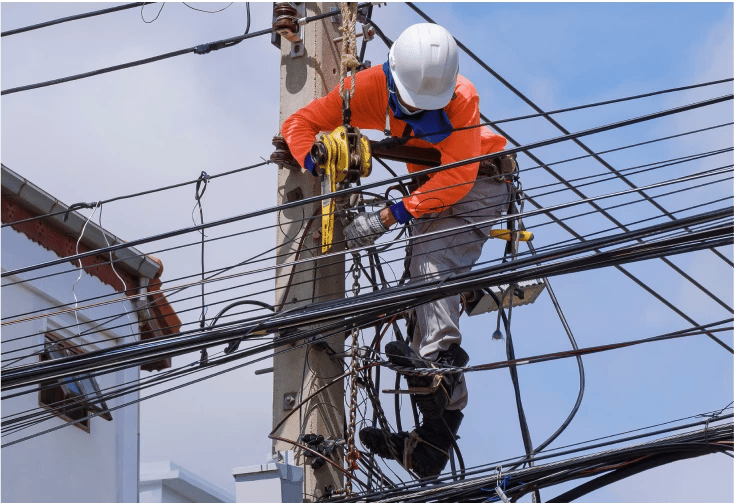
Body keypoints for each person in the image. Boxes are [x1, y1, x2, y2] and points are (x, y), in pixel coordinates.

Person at [281, 23, 511, 478]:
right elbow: (299, 123)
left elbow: (459, 179)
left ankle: (441, 367)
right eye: (412, 106)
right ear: (393, 82)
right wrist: (315, 158)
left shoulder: (462, 97)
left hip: (480, 185)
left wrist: (390, 216)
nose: (422, 113)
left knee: (430, 261)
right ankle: (431, 444)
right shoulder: (364, 90)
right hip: (431, 192)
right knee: (420, 297)